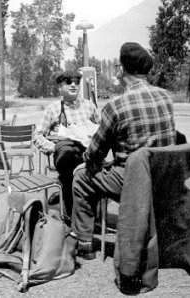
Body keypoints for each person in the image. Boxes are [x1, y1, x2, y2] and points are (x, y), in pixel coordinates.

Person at [71, 42, 177, 260]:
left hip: (133, 180)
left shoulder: (116, 105)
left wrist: (87, 161)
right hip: (164, 178)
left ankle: (85, 244)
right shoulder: (167, 96)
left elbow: (95, 154)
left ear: (121, 70)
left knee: (81, 178)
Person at [34, 70, 100, 217]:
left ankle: (85, 215)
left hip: (88, 154)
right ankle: (74, 216)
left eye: (77, 81)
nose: (73, 85)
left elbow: (102, 130)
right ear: (60, 87)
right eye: (68, 81)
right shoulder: (53, 109)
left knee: (89, 171)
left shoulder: (90, 106)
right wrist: (53, 148)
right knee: (69, 162)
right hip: (65, 156)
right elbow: (37, 136)